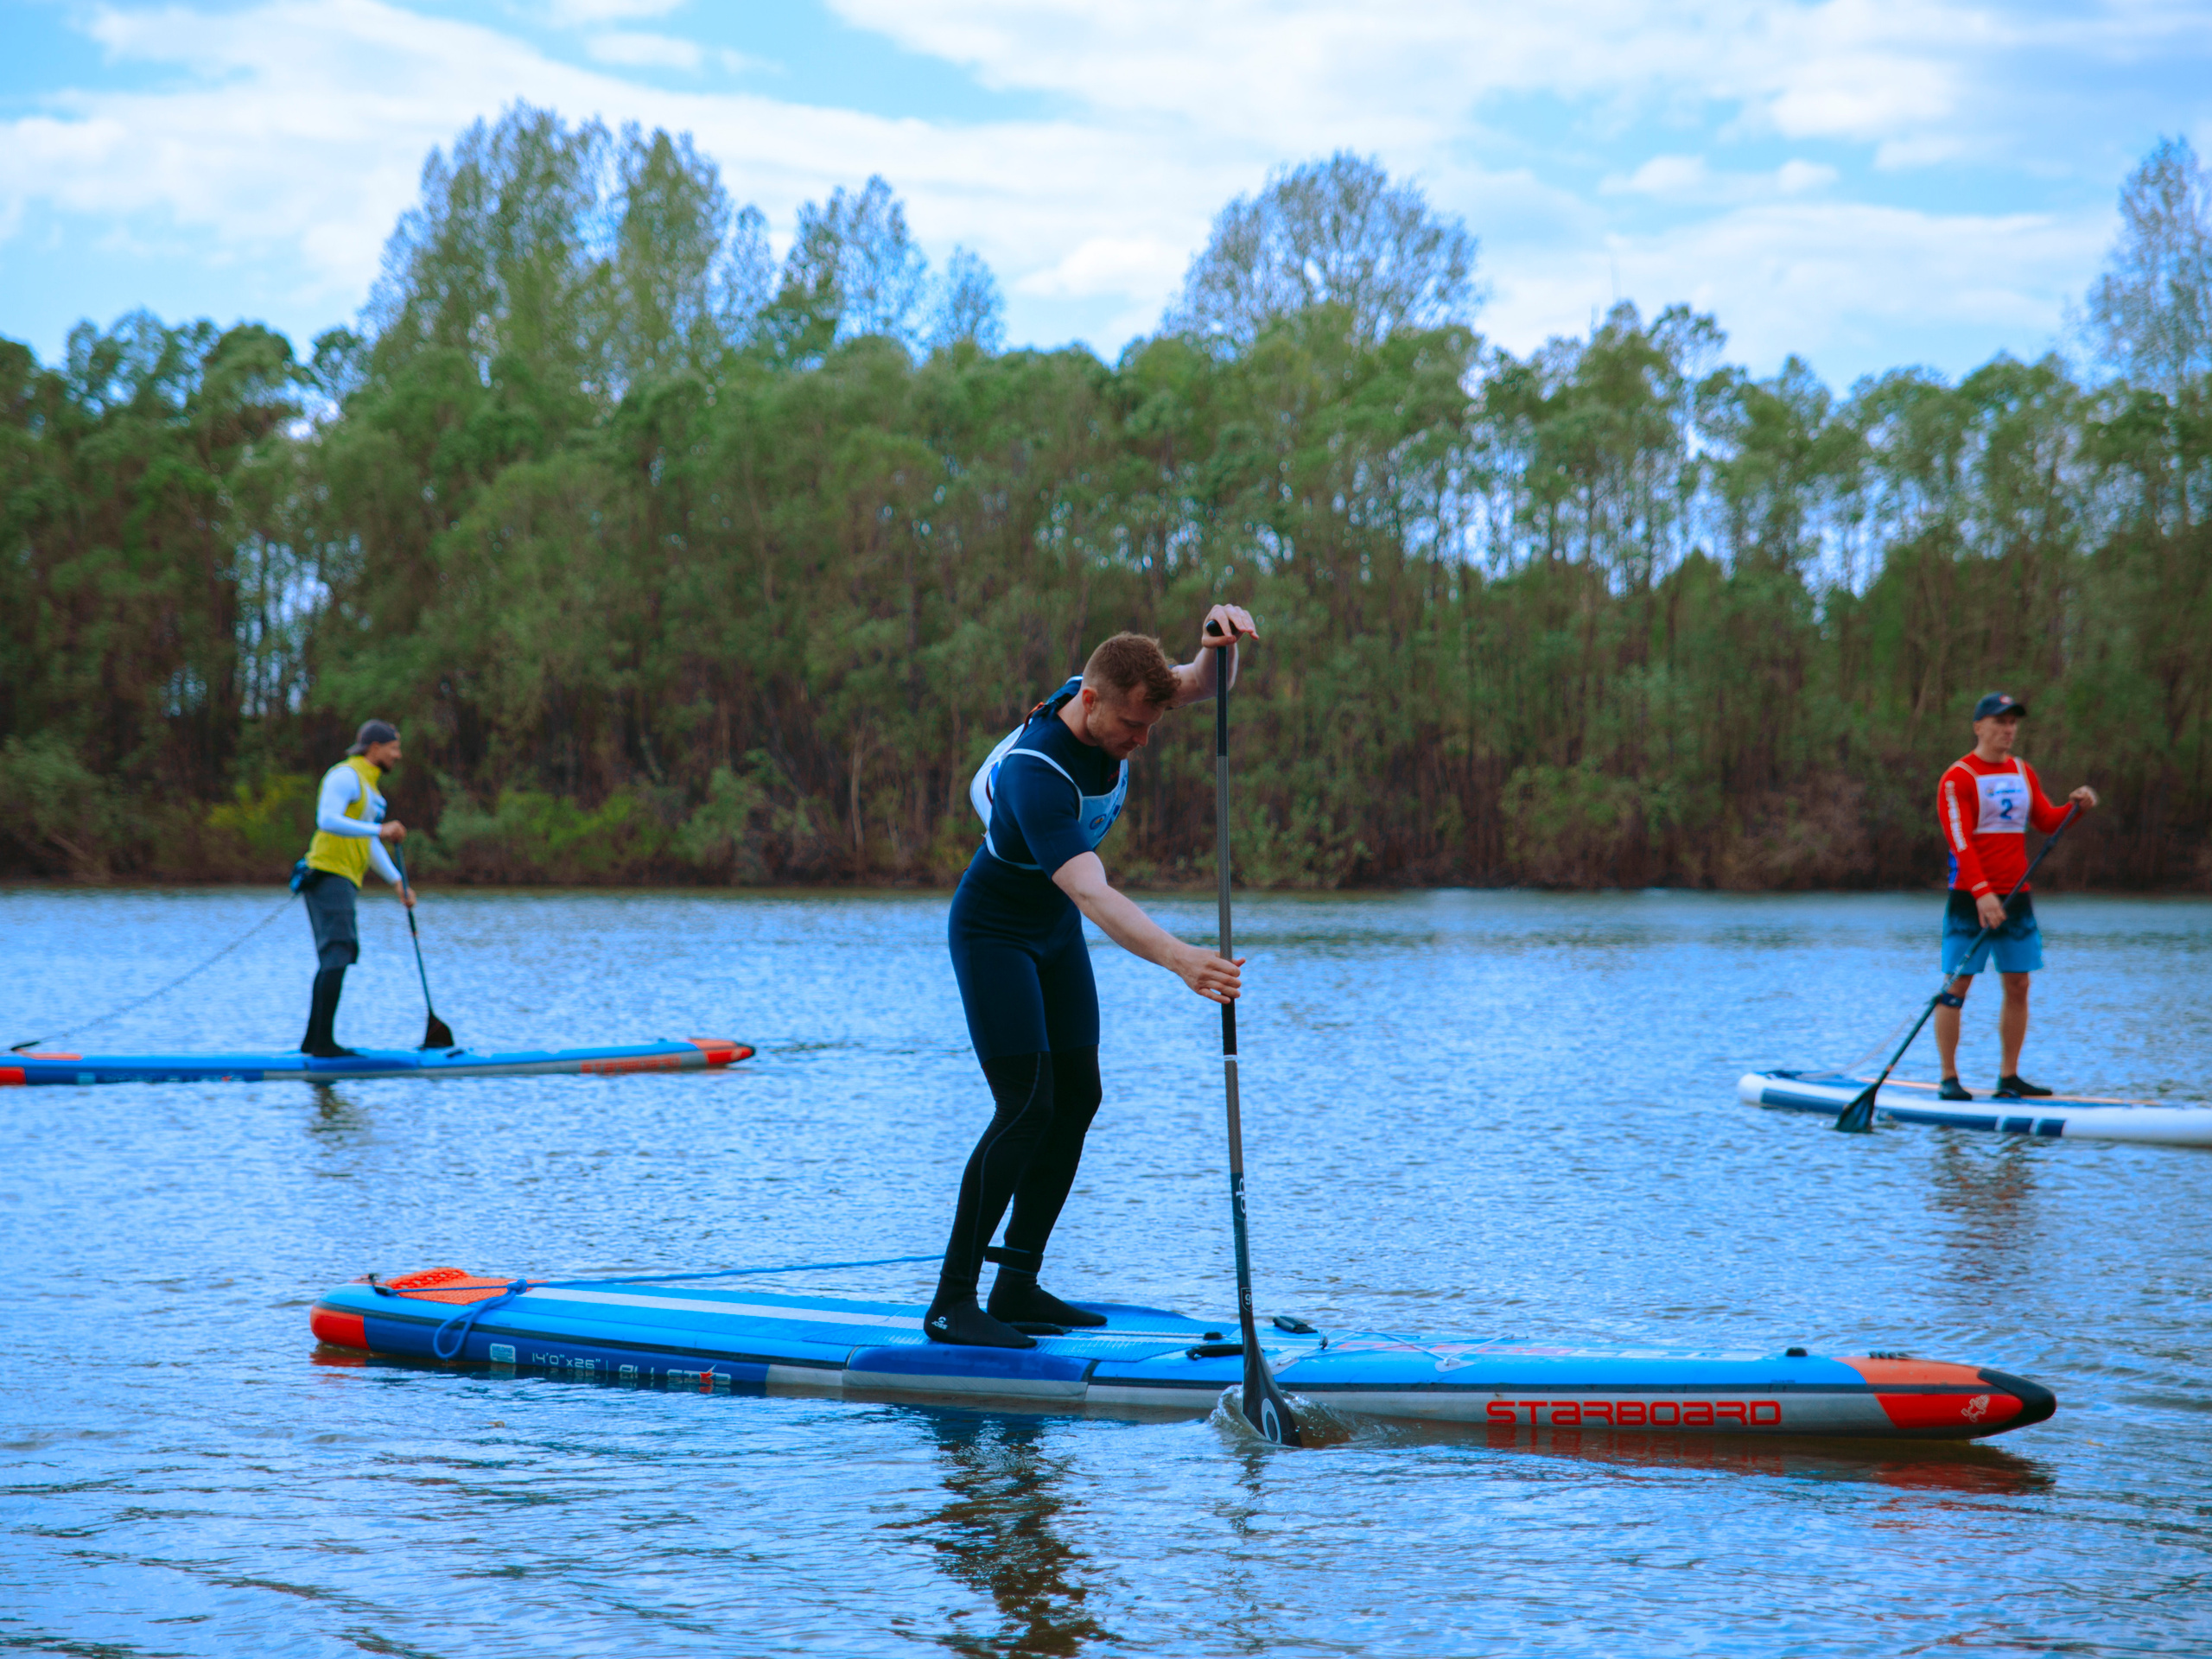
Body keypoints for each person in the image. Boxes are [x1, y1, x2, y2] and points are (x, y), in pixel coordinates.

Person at [927, 607, 1258, 1350]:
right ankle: (952, 1302)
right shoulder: (1035, 774)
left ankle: (1016, 1284)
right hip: (994, 933)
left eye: (1150, 727)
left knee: (1077, 1096)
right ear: (1090, 703)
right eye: (1132, 728)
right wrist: (1182, 959)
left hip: (1049, 931)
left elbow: (1202, 683)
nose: (1141, 742)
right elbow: (1093, 894)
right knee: (1024, 1106)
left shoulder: (1121, 683)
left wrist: (1218, 642)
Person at [1934, 692, 2095, 1100]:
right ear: (1978, 727)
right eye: (1999, 722)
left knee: (2019, 984)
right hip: (1970, 896)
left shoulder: (2023, 771)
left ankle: (2009, 1077)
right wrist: (1983, 893)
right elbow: (1960, 843)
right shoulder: (1958, 778)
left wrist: (2075, 807)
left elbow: (2045, 820)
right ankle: (1949, 1078)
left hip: (2017, 895)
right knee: (1957, 986)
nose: (2008, 730)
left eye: (2013, 723)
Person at [297, 720, 416, 1058]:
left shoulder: (372, 790)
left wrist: (396, 882)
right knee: (337, 952)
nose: (399, 754)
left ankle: (314, 1043)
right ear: (374, 748)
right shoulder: (345, 776)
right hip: (326, 873)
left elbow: (368, 839)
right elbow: (327, 820)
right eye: (394, 747)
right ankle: (321, 1045)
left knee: (338, 953)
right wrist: (378, 830)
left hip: (344, 877)